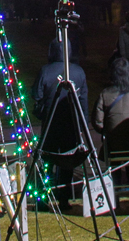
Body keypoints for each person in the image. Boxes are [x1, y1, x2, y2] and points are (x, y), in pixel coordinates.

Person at [33, 37, 89, 206]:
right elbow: (83, 102)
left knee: (47, 161)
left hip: (50, 124)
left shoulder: (45, 71)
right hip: (71, 125)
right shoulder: (79, 72)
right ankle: (64, 198)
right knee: (67, 162)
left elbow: (36, 95)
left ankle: (43, 198)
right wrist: (83, 125)